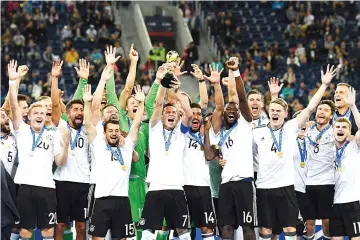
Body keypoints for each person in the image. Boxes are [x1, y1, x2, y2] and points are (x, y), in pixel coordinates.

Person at [253, 65, 338, 240]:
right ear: (268, 112)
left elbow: (310, 109)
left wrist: (323, 86)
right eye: (272, 110)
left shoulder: (291, 128)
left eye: (279, 111)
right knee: (265, 231)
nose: (275, 113)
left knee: (290, 228)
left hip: (285, 187)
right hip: (263, 187)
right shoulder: (258, 131)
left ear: (286, 114)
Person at [8, 59, 70, 240]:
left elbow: (60, 162)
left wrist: (66, 145)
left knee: (48, 231)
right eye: (35, 112)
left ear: (45, 117)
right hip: (25, 186)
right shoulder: (22, 130)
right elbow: (13, 106)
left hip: (47, 188)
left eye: (42, 114)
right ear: (28, 116)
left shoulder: (54, 134)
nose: (39, 115)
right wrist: (14, 82)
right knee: (25, 231)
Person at [84, 82, 145, 240]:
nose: (114, 133)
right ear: (104, 132)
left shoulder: (127, 147)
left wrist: (141, 102)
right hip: (102, 200)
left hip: (122, 200)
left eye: (117, 131)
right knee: (97, 238)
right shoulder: (98, 145)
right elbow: (88, 125)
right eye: (110, 131)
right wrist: (86, 103)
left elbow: (137, 124)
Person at [138, 76, 193, 240]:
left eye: (174, 113)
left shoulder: (181, 132)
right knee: (148, 231)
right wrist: (163, 84)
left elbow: (189, 115)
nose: (171, 114)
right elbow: (157, 105)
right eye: (167, 112)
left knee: (183, 232)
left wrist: (176, 93)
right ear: (162, 117)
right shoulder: (154, 129)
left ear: (178, 117)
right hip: (155, 187)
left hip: (176, 188)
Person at [208, 58, 256, 240]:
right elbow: (210, 153)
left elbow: (240, 97)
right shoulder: (220, 134)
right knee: (226, 226)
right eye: (228, 109)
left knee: (247, 226)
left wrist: (235, 72)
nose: (231, 110)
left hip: (244, 182)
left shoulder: (245, 124)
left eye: (234, 109)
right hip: (225, 184)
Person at [303, 99, 337, 240]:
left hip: (327, 182)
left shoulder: (336, 131)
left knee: (327, 223)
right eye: (320, 109)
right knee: (309, 223)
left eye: (325, 110)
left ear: (331, 115)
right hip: (308, 182)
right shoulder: (307, 130)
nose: (321, 112)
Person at [330, 87, 360, 239]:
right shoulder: (328, 148)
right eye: (337, 127)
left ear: (349, 132)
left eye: (344, 127)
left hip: (353, 201)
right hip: (334, 203)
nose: (340, 129)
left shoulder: (354, 146)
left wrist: (353, 106)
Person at [0, 108, 18, 178]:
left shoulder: (14, 139)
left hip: (14, 184)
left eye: (7, 116)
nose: (7, 119)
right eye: (3, 116)